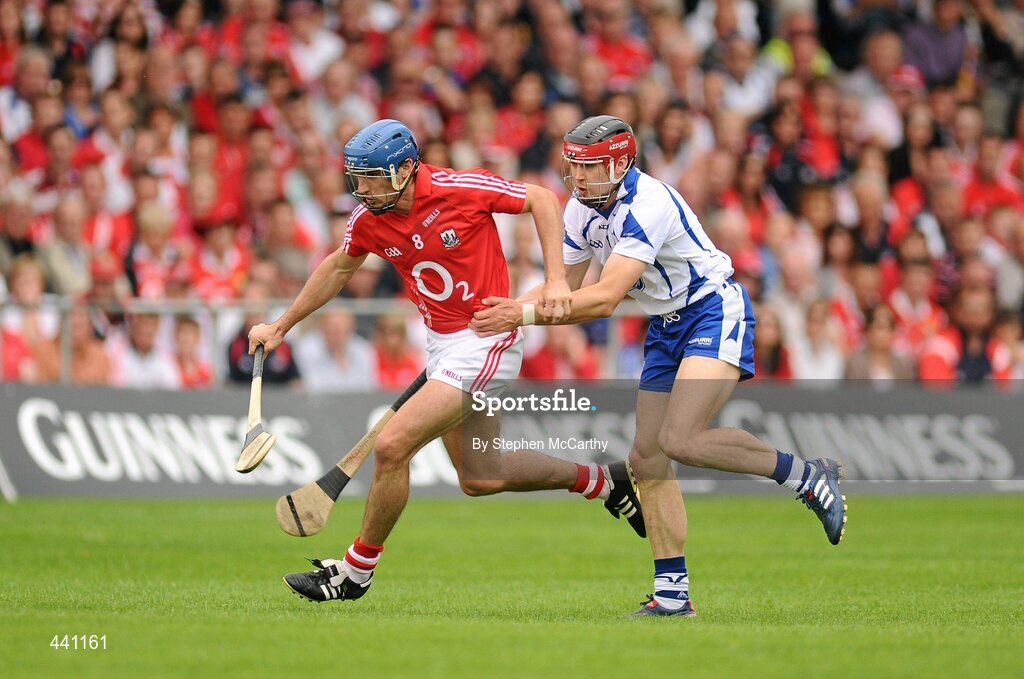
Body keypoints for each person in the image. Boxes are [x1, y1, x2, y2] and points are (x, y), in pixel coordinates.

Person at [246, 119, 645, 603]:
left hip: (487, 339)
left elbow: (541, 198)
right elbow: (338, 266)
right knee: (482, 475)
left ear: (406, 170)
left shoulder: (460, 188)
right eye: (358, 178)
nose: (363, 189)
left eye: (372, 177)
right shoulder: (368, 219)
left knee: (392, 445)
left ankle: (354, 573)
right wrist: (282, 325)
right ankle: (604, 480)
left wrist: (557, 281)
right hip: (441, 345)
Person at [472, 115, 849, 617]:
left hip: (712, 308)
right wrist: (501, 313)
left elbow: (602, 299)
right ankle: (673, 597)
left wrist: (517, 315)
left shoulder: (647, 204)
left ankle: (805, 475)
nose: (578, 178)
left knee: (681, 439)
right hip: (666, 325)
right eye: (573, 167)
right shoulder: (581, 210)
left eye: (590, 167)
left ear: (623, 161)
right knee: (647, 458)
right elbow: (561, 289)